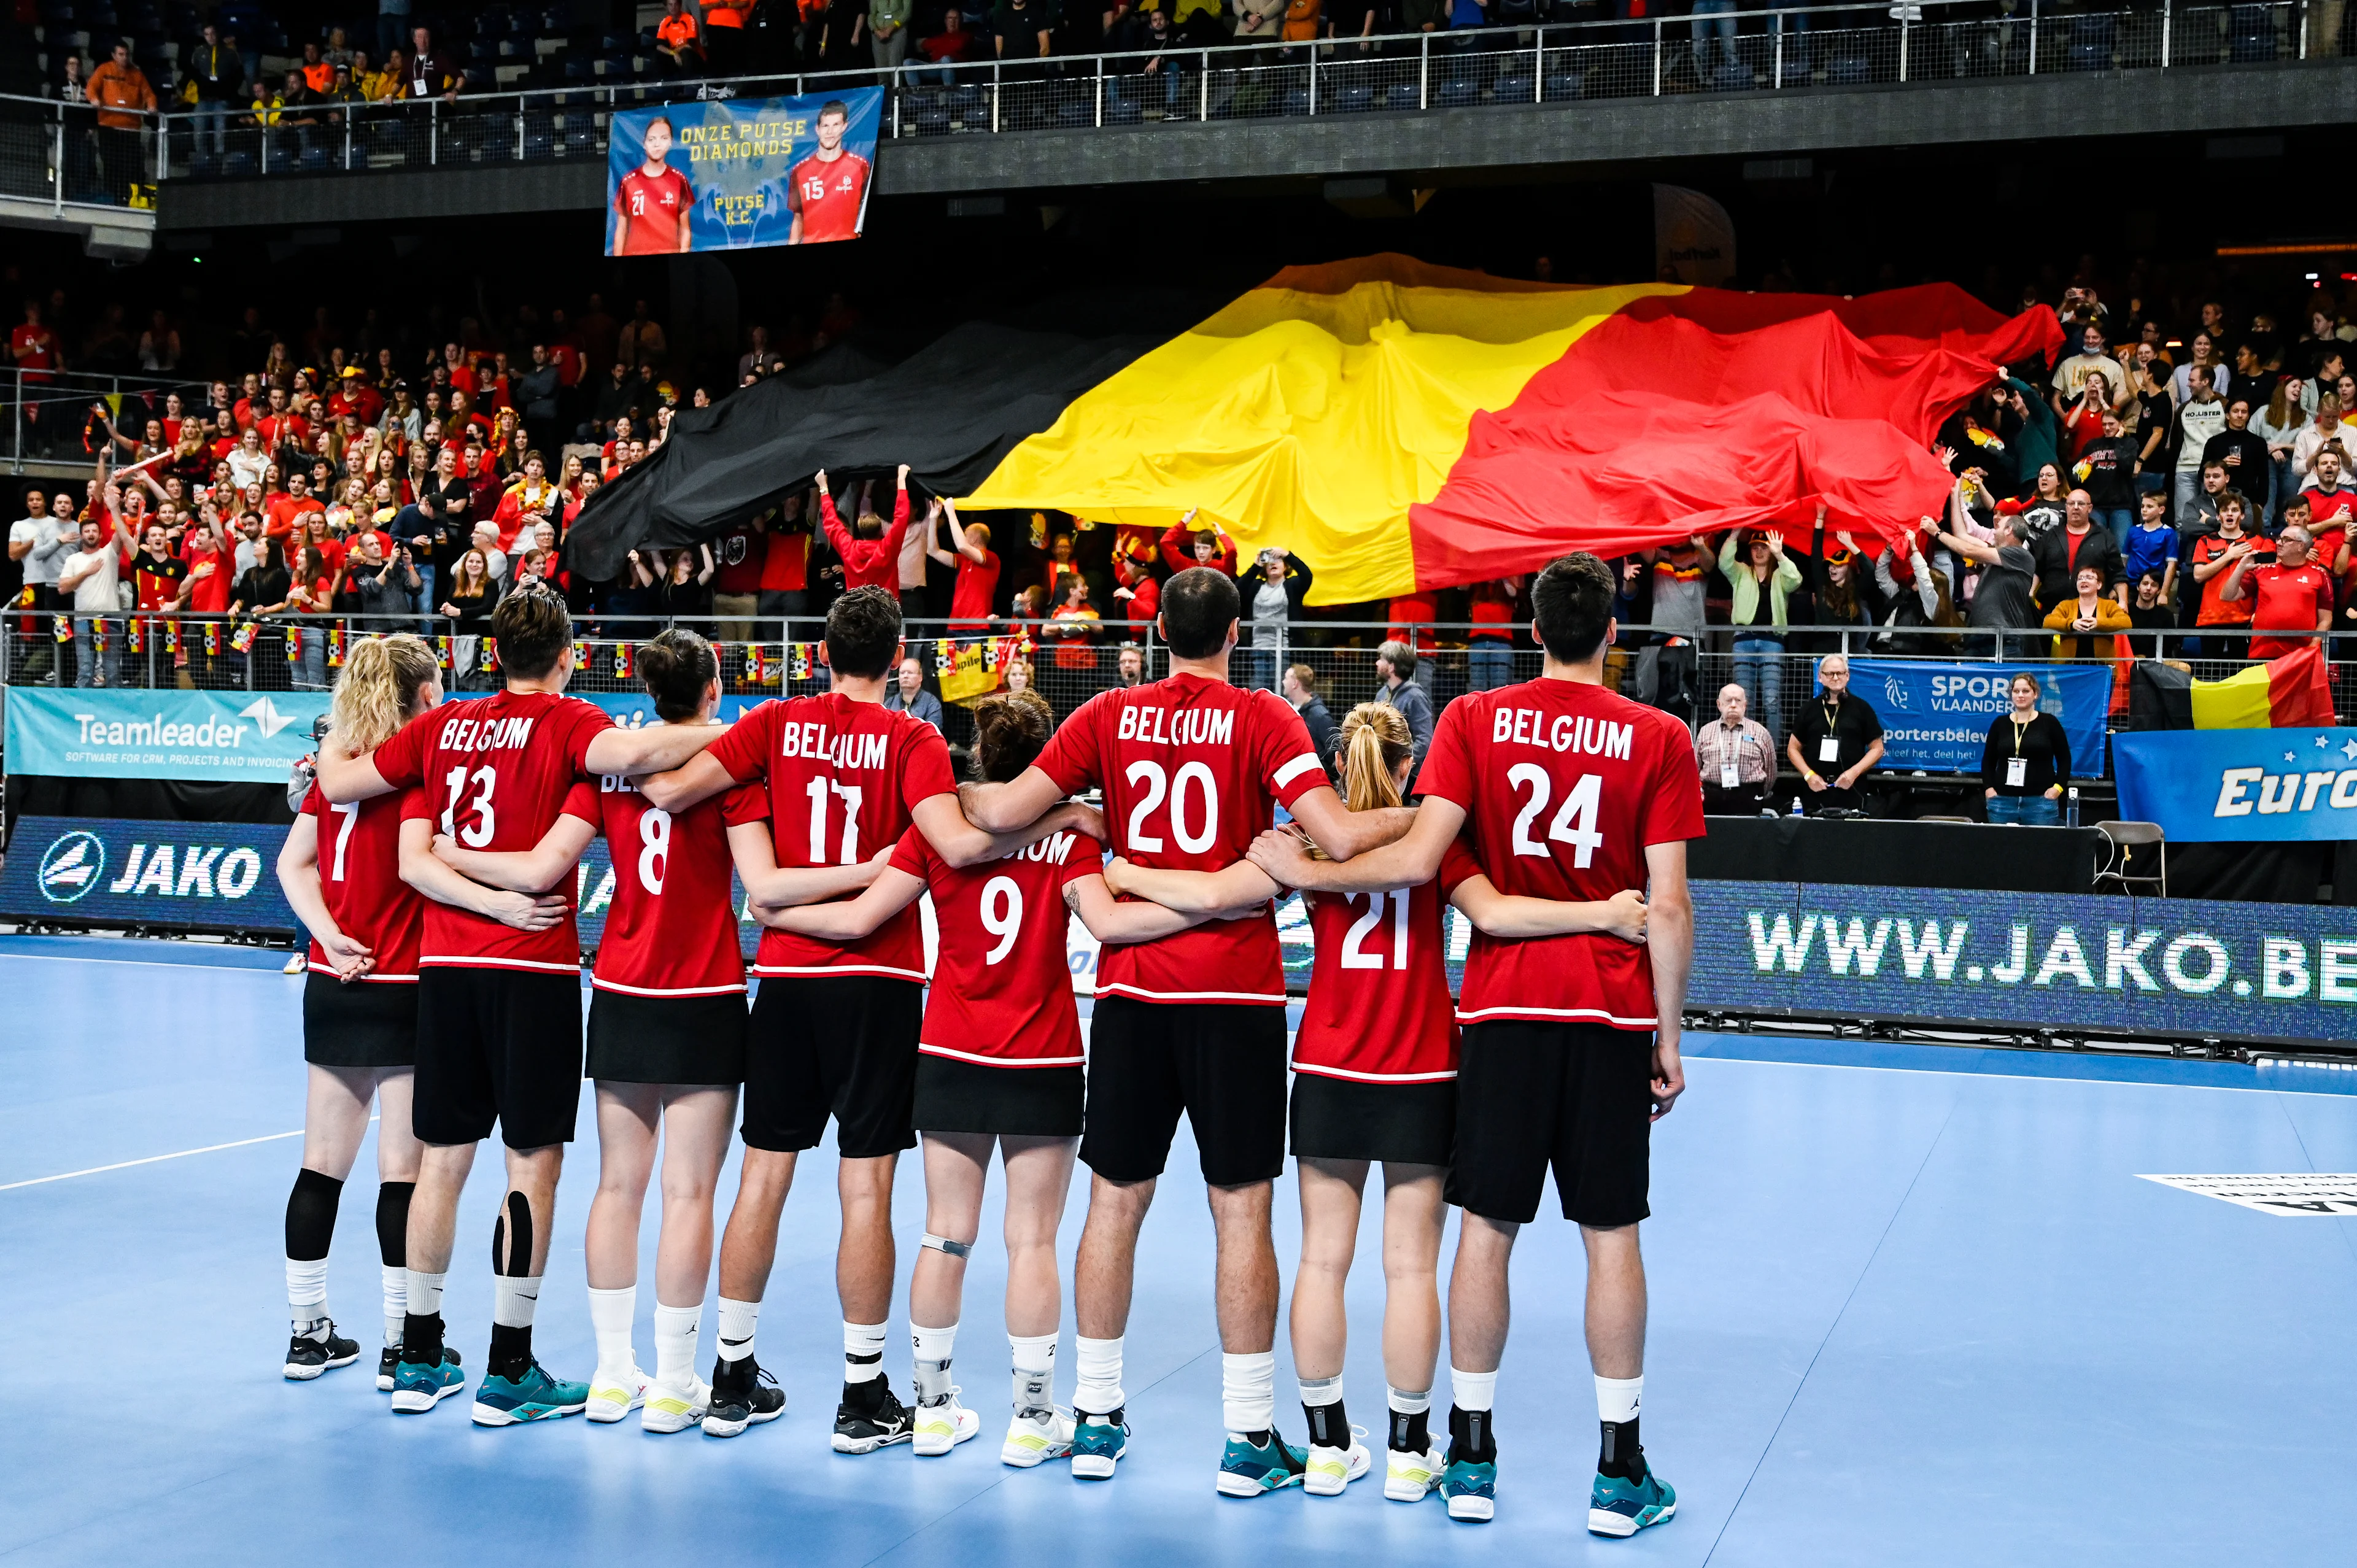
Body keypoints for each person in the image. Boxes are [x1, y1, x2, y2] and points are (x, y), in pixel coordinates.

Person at [1242, 551, 1701, 1535]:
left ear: (1532, 630)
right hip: (1610, 1014)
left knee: (1483, 1231)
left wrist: (1306, 865)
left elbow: (1425, 862)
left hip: (1495, 1016)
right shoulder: (1660, 734)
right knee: (1610, 1237)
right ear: (1613, 632)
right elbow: (1667, 902)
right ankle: (1620, 1469)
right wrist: (1667, 1034)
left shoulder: (1475, 721)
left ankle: (1470, 1454)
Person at [1104, 698, 1650, 1505]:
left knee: (1324, 1258)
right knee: (1410, 1267)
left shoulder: (1307, 840)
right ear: (1409, 765)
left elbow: (1216, 895)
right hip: (1422, 1065)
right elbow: (1497, 913)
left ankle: (1325, 1449)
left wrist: (1120, 874)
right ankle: (1406, 1450)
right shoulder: (1434, 839)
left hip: (1327, 1062)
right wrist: (1607, 913)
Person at [956, 565, 1406, 1494]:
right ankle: (1248, 1438)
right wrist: (1443, 816)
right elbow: (1339, 833)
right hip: (1235, 998)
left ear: (1157, 629)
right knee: (1240, 1207)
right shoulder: (1264, 717)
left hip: (1132, 997)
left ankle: (1093, 1419)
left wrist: (1079, 813)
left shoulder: (1108, 716)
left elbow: (997, 809)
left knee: (1113, 1203)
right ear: (1236, 633)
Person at [637, 587, 1096, 1451]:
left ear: (820, 647)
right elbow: (957, 846)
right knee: (867, 1188)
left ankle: (730, 1373)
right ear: (898, 656)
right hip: (877, 982)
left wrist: (768, 900)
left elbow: (670, 792)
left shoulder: (773, 724)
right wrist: (1063, 815)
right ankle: (860, 1392)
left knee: (760, 1176)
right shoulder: (913, 736)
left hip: (785, 978)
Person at [314, 585, 726, 1426]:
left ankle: (417, 1352)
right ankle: (509, 1363)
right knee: (530, 1165)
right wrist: (737, 730)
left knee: (440, 1158)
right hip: (532, 968)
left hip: (446, 968)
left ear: (490, 653)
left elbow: (354, 791)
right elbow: (639, 755)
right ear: (568, 654)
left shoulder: (439, 727)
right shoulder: (572, 725)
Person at [759, 688, 1178, 1464]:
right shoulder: (1071, 842)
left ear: (981, 756)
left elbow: (855, 918)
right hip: (1042, 1056)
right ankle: (1030, 1416)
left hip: (950, 1051)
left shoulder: (935, 833)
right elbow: (1112, 922)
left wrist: (774, 916)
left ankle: (933, 1407)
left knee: (945, 1234)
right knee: (1032, 1240)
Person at [427, 630, 768, 1434]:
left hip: (619, 986)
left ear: (654, 696)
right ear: (712, 695)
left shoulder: (608, 767)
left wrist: (444, 851)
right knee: (689, 1189)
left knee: (619, 1183)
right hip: (703, 987)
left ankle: (615, 1374)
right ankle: (677, 1379)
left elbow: (547, 860)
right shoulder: (731, 770)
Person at [273, 635, 441, 1388]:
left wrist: (326, 936)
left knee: (320, 1169)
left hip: (334, 981)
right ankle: (402, 1343)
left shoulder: (333, 772)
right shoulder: (414, 771)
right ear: (418, 695)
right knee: (401, 1173)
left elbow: (291, 863)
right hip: (402, 980)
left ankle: (307, 1334)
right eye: (435, 687)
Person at [1716, 529, 1801, 747]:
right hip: (1743, 640)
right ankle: (1746, 747)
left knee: (1772, 700)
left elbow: (1796, 579)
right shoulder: (1741, 572)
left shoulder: (1780, 576)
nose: (1759, 551)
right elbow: (1724, 562)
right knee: (1745, 701)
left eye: (1764, 547)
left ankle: (1771, 751)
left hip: (1772, 641)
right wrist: (1735, 534)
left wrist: (1780, 555)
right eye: (1755, 547)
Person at [1784, 654, 1884, 814]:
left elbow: (1877, 748)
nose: (1835, 678)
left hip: (1851, 788)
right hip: (1815, 789)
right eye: (1830, 674)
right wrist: (1809, 775)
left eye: (1840, 673)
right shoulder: (1809, 709)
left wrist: (1854, 773)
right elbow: (1792, 749)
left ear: (1847, 676)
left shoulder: (1862, 708)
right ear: (1820, 677)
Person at [2219, 523, 2334, 661]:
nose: (2279, 543)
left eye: (2286, 540)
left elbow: (2326, 620)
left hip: (2300, 656)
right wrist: (2241, 568)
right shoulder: (2262, 570)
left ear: (2301, 546)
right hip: (2261, 654)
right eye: (2279, 538)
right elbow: (2227, 596)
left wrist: (2312, 649)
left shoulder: (2320, 575)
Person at [1938, 511, 2039, 658]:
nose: (1993, 532)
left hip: (2004, 637)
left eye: (1999, 527)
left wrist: (1937, 532)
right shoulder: (1995, 554)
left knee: (2005, 682)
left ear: (2009, 530)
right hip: (1977, 636)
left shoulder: (2021, 555)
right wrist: (1956, 494)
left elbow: (1967, 550)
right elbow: (1962, 535)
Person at [2186, 490, 2272, 660]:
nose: (2230, 514)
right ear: (2218, 516)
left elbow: (2270, 574)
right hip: (2211, 617)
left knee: (2240, 675)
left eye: (2234, 510)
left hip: (2244, 617)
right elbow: (2198, 575)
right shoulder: (2205, 541)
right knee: (2210, 675)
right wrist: (2229, 556)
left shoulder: (2257, 541)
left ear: (2242, 515)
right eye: (2225, 510)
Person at [1979, 672, 2072, 825]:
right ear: (2011, 695)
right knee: (2001, 847)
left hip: (2040, 803)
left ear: (2035, 694)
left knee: (2039, 847)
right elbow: (1988, 760)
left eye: (2026, 691)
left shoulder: (2049, 723)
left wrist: (2058, 788)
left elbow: (2065, 759)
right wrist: (1989, 788)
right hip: (2002, 802)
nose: (2020, 695)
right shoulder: (2000, 724)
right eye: (2016, 692)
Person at [58, 511, 131, 689]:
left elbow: (121, 531)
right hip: (83, 619)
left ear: (101, 535)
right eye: (87, 531)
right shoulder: (73, 559)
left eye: (94, 531)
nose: (91, 534)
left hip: (110, 617)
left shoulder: (110, 553)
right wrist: (86, 573)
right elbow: (62, 588)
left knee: (113, 669)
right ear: (81, 535)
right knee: (85, 669)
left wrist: (114, 506)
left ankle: (114, 711)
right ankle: (82, 709)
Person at [816, 465, 914, 593]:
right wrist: (901, 480)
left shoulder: (849, 549)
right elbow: (902, 518)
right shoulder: (888, 548)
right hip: (886, 609)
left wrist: (823, 488)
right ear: (881, 531)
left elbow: (832, 524)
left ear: (860, 531)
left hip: (856, 608)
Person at [788, 100, 872, 245]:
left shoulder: (860, 167)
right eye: (825, 126)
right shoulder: (800, 171)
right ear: (817, 129)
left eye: (836, 125)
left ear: (845, 126)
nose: (830, 132)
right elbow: (798, 217)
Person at [613, 116, 694, 257]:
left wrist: (683, 258)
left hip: (670, 261)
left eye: (664, 138)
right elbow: (621, 229)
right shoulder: (629, 181)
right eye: (652, 139)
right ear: (644, 143)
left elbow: (685, 229)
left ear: (670, 142)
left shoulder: (679, 179)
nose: (657, 144)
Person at [1695, 682, 1775, 813]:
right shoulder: (1705, 731)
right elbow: (1695, 767)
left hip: (1748, 797)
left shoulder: (1760, 732)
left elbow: (1771, 770)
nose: (1733, 705)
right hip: (1712, 797)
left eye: (1738, 701)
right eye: (1728, 701)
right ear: (1719, 705)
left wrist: (1758, 791)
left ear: (1745, 705)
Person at [928, 497, 998, 630]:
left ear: (976, 538)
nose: (963, 537)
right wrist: (933, 520)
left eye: (966, 534)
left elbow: (962, 546)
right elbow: (933, 551)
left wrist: (951, 512)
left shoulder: (991, 558)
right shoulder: (964, 560)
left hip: (976, 626)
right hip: (955, 625)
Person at [2042, 564, 2131, 660]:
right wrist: (2071, 624)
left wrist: (2099, 624)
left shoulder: (2109, 605)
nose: (2084, 581)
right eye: (2080, 578)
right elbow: (2048, 621)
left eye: (2089, 578)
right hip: (2070, 667)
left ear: (2099, 585)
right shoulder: (2066, 605)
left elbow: (2126, 622)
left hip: (2102, 668)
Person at [1375, 639, 1435, 773]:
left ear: (1391, 667)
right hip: (1388, 771)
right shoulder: (1382, 694)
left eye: (1381, 659)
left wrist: (1402, 764)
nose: (1377, 663)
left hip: (1408, 776)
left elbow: (1425, 740)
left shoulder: (1415, 697)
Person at [1281, 662, 1339, 782]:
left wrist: (1317, 771)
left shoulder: (1320, 715)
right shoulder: (1290, 709)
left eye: (1286, 678)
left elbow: (1335, 748)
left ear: (1295, 684)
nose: (1283, 682)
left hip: (1313, 781)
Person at [884, 655, 946, 732]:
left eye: (910, 673)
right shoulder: (890, 703)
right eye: (902, 673)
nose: (905, 676)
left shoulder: (932, 704)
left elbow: (932, 732)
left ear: (920, 677)